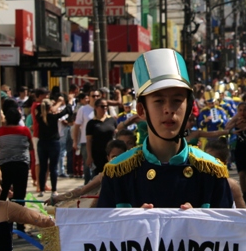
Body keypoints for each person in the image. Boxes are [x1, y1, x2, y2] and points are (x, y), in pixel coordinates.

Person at [97, 49, 232, 209]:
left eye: (177, 100)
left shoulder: (212, 172)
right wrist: (133, 221)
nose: (169, 109)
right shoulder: (118, 173)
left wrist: (199, 220)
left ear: (189, 108)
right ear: (141, 110)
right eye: (159, 101)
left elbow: (227, 224)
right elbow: (103, 224)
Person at [0, 106, 32, 225]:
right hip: (21, 165)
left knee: (2, 194)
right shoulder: (25, 130)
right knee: (19, 195)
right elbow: (31, 146)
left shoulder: (1, 131)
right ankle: (20, 224)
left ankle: (1, 223)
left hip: (5, 166)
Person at [37, 97, 65, 198]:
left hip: (42, 143)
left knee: (43, 167)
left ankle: (41, 189)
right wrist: (59, 103)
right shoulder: (53, 117)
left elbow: (38, 107)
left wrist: (53, 104)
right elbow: (67, 111)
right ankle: (54, 190)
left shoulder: (39, 117)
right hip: (53, 143)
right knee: (53, 168)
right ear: (50, 107)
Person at [85, 98, 117, 178]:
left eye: (106, 106)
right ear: (96, 107)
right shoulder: (91, 123)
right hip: (97, 154)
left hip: (111, 153)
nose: (105, 108)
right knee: (98, 177)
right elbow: (89, 141)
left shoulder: (112, 120)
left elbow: (117, 135)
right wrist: (89, 156)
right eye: (102, 106)